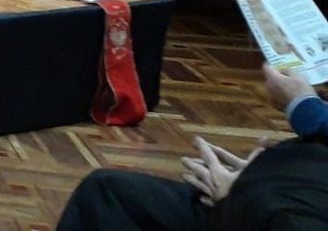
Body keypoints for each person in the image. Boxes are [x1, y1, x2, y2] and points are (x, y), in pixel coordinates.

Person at [57, 62, 328, 229]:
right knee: (110, 189)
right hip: (283, 192)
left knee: (106, 195)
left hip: (259, 211)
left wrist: (241, 196)